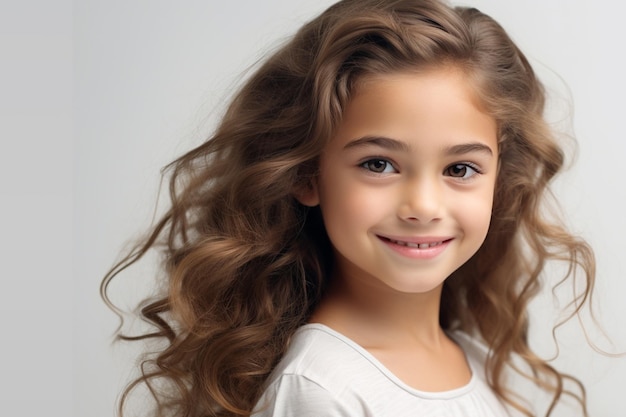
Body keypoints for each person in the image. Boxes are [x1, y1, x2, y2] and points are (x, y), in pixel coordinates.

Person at [102, 0, 596, 416]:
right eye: (379, 164)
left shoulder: (472, 355)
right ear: (306, 174)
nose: (423, 206)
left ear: (499, 180)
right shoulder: (321, 389)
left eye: (460, 169)